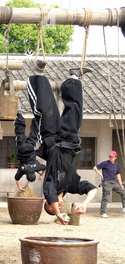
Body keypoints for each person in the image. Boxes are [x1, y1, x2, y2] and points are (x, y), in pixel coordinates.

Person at [28, 61, 97, 224]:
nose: (57, 206)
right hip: (70, 140)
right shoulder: (71, 186)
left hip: (52, 140)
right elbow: (93, 189)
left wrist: (58, 215)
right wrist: (85, 204)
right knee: (75, 110)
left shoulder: (50, 188)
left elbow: (51, 197)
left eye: (52, 208)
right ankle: (74, 76)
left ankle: (39, 75)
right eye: (57, 208)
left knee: (47, 108)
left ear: (47, 203)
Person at [13, 112, 46, 192]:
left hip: (31, 148)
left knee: (34, 134)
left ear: (34, 174)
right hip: (22, 149)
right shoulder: (22, 169)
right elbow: (16, 179)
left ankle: (37, 118)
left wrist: (41, 175)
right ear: (26, 176)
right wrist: (20, 188)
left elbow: (45, 168)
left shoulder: (37, 167)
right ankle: (19, 117)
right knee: (19, 133)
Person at [93, 151, 125, 218]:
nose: (111, 158)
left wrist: (120, 184)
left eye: (112, 157)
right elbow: (95, 168)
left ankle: (124, 208)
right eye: (110, 156)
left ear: (115, 157)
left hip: (113, 182)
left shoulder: (116, 165)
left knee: (123, 192)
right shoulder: (105, 163)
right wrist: (101, 175)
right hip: (106, 182)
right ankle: (103, 213)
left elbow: (118, 174)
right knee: (105, 197)